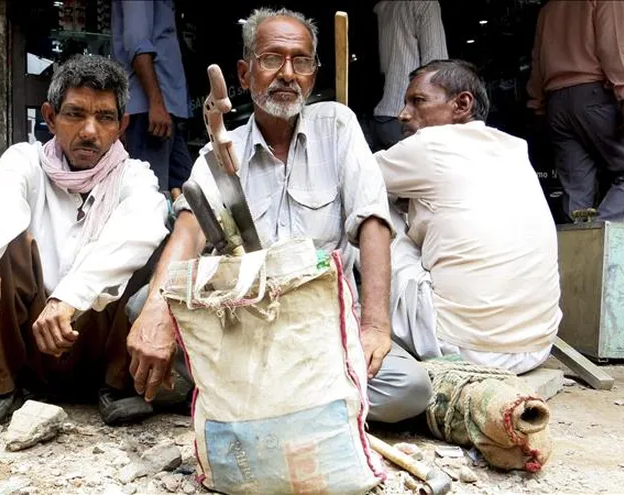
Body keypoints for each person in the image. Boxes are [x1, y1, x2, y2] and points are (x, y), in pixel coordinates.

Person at [127, 8, 433, 424]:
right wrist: (157, 312)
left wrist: (375, 326)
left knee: (407, 388)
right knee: (145, 306)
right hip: (242, 328)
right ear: (244, 73)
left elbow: (374, 222)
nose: (288, 74)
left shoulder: (337, 126)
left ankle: (239, 396)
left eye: (301, 61)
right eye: (272, 59)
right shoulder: (221, 149)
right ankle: (299, 400)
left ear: (312, 74)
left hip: (323, 332)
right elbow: (190, 228)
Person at [0, 55, 169, 428]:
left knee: (151, 243)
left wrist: (68, 299)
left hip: (98, 345)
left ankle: (118, 385)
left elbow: (139, 227)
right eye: (75, 114)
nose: (90, 131)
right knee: (2, 241)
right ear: (50, 117)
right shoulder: (25, 161)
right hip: (32, 347)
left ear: (121, 126)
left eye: (105, 118)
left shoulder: (135, 177)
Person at [375, 59, 562, 374]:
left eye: (418, 101)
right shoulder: (514, 149)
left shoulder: (430, 144)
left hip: (465, 349)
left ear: (462, 104)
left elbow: (352, 177)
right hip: (536, 346)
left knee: (371, 208)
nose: (403, 114)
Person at [527, 0, 624, 222]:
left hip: (557, 103)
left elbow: (537, 61)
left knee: (576, 188)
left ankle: (577, 238)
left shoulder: (549, 8)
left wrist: (537, 106)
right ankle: (601, 233)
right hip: (596, 96)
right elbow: (611, 46)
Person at [112, 0, 192, 199]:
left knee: (188, 193)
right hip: (148, 111)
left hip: (163, 109)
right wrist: (156, 103)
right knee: (148, 196)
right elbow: (137, 43)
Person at [370, 0, 448, 152]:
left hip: (381, 117)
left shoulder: (381, 7)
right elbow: (437, 68)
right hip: (410, 118)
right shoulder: (425, 4)